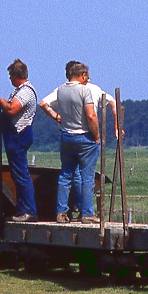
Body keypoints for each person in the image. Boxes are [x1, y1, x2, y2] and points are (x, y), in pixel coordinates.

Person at [41, 61, 101, 223]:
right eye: (86, 76)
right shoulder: (85, 91)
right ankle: (87, 213)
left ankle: (61, 212)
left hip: (67, 135)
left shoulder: (61, 90)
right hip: (84, 136)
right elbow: (91, 116)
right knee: (87, 177)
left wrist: (56, 117)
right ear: (82, 75)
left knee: (65, 175)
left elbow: (44, 104)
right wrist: (96, 136)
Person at [0, 59, 38, 222]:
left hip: (19, 135)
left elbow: (12, 109)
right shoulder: (18, 91)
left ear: (17, 75)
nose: (10, 79)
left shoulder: (25, 92)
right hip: (14, 136)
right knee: (17, 174)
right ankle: (21, 209)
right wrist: (1, 105)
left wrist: (2, 101)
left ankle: (29, 211)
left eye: (11, 75)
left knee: (21, 174)